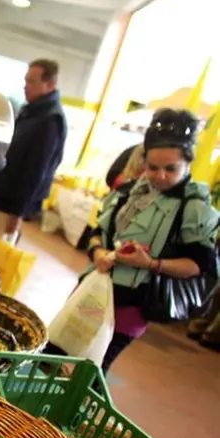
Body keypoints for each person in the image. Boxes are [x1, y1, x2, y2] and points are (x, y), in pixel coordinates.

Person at [46, 109, 219, 373]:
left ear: (187, 164)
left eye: (171, 169)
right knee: (53, 351)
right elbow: (95, 233)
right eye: (153, 168)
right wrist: (98, 253)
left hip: (133, 306)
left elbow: (198, 264)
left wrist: (151, 263)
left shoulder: (194, 208)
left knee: (92, 372)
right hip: (93, 290)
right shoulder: (127, 193)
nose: (160, 176)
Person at [0, 59, 68, 244]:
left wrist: (17, 213)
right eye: (26, 81)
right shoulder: (33, 112)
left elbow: (36, 172)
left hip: (8, 205)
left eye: (32, 82)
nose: (26, 87)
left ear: (50, 84)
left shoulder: (50, 121)